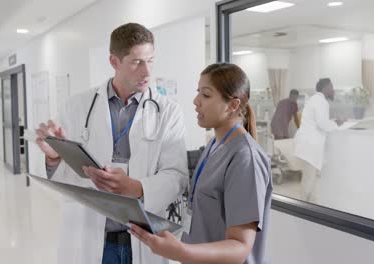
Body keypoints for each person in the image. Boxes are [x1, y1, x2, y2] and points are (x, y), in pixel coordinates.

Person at [34, 23, 187, 264]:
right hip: (91, 234)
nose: (147, 71)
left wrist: (137, 187)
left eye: (151, 60)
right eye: (136, 62)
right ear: (114, 62)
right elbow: (69, 181)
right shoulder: (77, 106)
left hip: (143, 237)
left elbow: (176, 175)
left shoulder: (169, 112)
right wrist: (54, 157)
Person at [130, 63, 273, 264]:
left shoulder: (244, 158)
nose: (196, 101)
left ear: (232, 105)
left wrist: (180, 251)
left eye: (206, 95)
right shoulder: (215, 145)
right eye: (199, 93)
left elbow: (239, 247)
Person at [294, 78, 341, 201]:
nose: (333, 90)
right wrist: (337, 125)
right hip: (310, 146)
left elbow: (319, 121)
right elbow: (322, 123)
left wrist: (333, 122)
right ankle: (301, 207)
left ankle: (312, 206)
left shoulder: (315, 100)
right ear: (325, 88)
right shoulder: (321, 102)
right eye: (331, 87)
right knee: (308, 180)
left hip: (308, 144)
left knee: (312, 179)